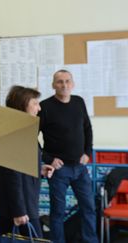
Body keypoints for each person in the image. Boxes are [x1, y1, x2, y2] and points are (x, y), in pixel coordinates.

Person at [39, 69, 98, 243]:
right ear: (53, 85)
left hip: (80, 168)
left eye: (67, 81)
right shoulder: (45, 107)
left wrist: (88, 152)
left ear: (72, 84)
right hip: (59, 171)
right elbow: (30, 137)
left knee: (89, 208)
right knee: (57, 211)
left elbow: (87, 128)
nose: (64, 85)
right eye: (59, 81)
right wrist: (48, 159)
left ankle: (91, 240)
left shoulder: (79, 102)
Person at [0, 85, 54, 238]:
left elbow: (21, 167)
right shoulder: (15, 133)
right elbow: (12, 174)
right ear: (23, 104)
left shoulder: (23, 129)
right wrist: (19, 210)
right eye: (35, 103)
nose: (39, 108)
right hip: (20, 205)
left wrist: (39, 169)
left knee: (3, 236)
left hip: (22, 202)